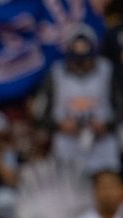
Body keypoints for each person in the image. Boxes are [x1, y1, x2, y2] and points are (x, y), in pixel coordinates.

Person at [38, 24, 119, 174]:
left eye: (85, 59)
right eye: (77, 59)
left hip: (103, 144)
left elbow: (120, 108)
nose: (81, 64)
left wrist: (107, 125)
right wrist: (59, 125)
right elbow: (40, 113)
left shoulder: (108, 70)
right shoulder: (55, 74)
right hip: (67, 145)